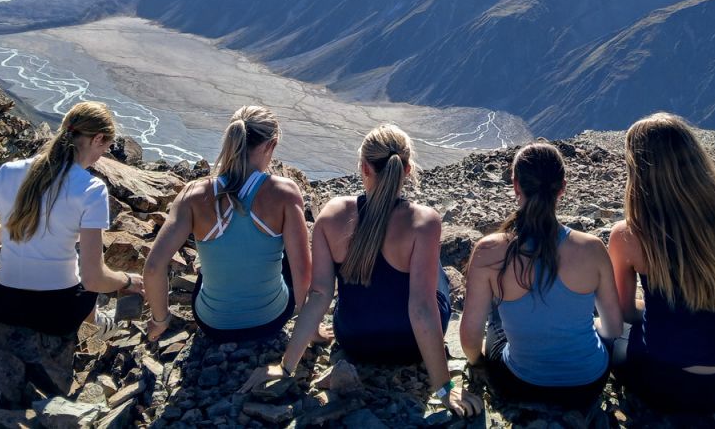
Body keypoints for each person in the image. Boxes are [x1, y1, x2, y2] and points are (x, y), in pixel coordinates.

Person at [241, 124, 481, 418]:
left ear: (364, 168)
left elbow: (319, 294)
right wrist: (443, 387)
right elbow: (421, 307)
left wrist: (286, 365)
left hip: (354, 340)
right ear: (407, 170)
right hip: (409, 345)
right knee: (438, 274)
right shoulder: (424, 221)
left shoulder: (331, 214)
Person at [0, 101, 144, 337]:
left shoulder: (7, 173)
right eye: (106, 146)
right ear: (97, 139)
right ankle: (96, 328)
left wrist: (18, 221)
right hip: (57, 314)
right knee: (87, 280)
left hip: (4, 306)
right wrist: (126, 281)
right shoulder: (91, 189)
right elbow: (94, 279)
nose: (103, 154)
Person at [608, 112, 715, 414]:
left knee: (602, 333)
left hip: (664, 384)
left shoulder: (630, 234)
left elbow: (623, 313)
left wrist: (657, 310)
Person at [460, 142, 621, 410]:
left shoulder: (489, 251)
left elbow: (469, 336)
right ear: (562, 188)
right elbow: (614, 328)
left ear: (515, 185)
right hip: (588, 384)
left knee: (495, 317)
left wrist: (476, 362)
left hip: (521, 383)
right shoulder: (592, 248)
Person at [143, 106, 310, 343]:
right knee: (286, 260)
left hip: (213, 324)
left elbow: (152, 268)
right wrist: (308, 329)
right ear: (270, 146)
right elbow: (303, 271)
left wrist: (160, 322)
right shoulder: (285, 192)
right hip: (270, 321)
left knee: (206, 268)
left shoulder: (192, 195)